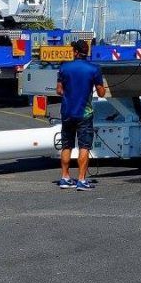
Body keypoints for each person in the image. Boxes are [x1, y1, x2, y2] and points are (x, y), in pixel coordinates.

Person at [55, 40, 105, 191]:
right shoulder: (94, 69)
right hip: (84, 113)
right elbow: (101, 92)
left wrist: (70, 94)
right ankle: (81, 180)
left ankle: (65, 177)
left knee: (66, 145)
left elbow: (59, 90)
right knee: (84, 146)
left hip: (67, 112)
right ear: (86, 52)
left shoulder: (64, 67)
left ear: (75, 52)